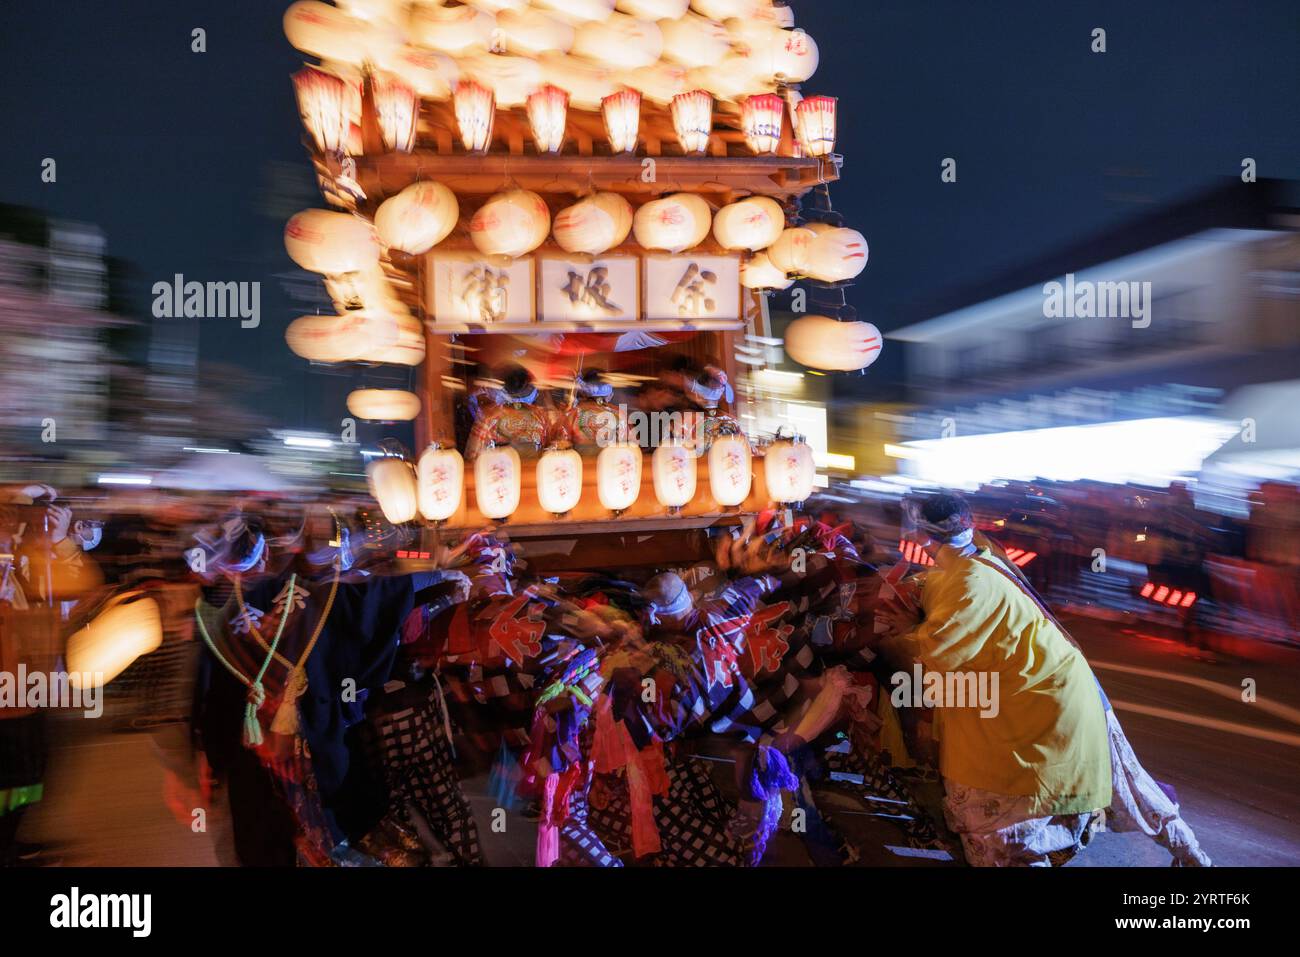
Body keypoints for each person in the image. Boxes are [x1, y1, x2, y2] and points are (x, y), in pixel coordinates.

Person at [879, 492, 1112, 866]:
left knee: (1002, 844)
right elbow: (936, 587)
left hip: (1035, 715)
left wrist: (894, 635)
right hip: (1040, 699)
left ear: (922, 536)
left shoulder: (968, 581)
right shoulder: (975, 558)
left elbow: (933, 654)